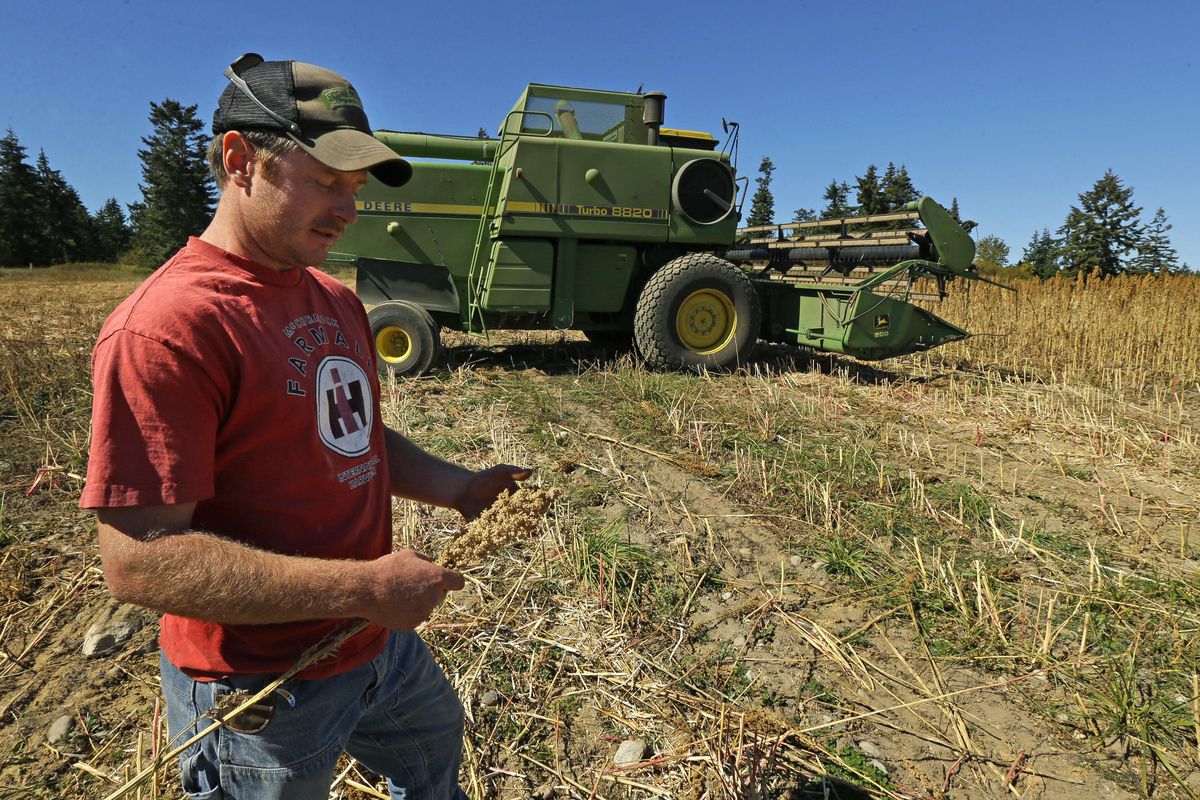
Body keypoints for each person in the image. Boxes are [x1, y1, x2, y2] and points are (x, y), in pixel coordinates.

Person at [80, 53, 528, 800]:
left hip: (372, 647)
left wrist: (462, 487)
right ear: (238, 161)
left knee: (433, 751)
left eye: (354, 188)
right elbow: (138, 561)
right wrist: (363, 586)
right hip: (260, 689)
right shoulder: (167, 329)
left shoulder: (334, 298)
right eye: (326, 181)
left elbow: (355, 439)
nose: (350, 209)